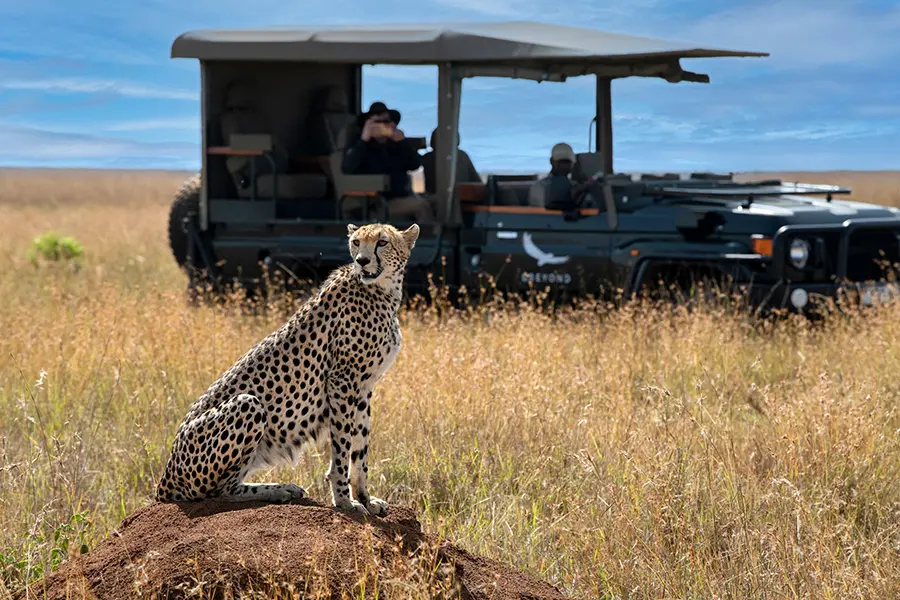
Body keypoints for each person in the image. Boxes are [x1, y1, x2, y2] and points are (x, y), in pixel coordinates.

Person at [341, 102, 434, 222]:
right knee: (422, 206)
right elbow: (347, 167)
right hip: (377, 202)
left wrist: (402, 142)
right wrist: (364, 139)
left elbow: (415, 165)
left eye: (386, 122)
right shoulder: (360, 147)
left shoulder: (395, 145)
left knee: (439, 201)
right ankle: (429, 239)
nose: (382, 126)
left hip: (402, 195)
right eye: (377, 122)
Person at [526, 142, 590, 217]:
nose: (563, 166)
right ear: (551, 161)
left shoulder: (578, 187)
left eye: (566, 162)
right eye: (560, 162)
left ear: (572, 164)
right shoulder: (539, 188)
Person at [421, 128, 481, 195]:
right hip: (461, 198)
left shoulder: (427, 157)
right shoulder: (462, 156)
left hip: (436, 198)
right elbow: (477, 181)